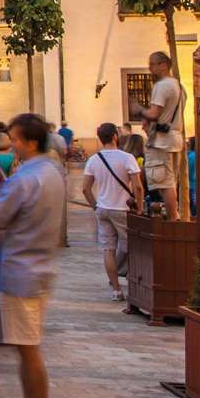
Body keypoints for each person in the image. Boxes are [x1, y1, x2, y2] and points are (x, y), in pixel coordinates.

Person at [0, 113, 67, 398]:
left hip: (20, 270)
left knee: (28, 351)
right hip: (41, 266)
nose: (10, 144)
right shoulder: (53, 172)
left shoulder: (25, 178)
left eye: (14, 139)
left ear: (29, 141)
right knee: (26, 348)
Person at [83, 123, 142, 301]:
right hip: (122, 208)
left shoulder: (93, 160)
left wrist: (95, 206)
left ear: (100, 139)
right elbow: (138, 186)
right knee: (133, 247)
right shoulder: (127, 158)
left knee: (108, 249)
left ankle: (116, 290)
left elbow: (85, 189)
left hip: (103, 208)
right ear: (116, 136)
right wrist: (139, 207)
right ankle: (134, 288)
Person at [140, 51, 186, 218]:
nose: (149, 68)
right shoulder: (179, 86)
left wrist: (140, 111)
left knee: (164, 182)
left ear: (163, 65)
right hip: (174, 138)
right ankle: (174, 215)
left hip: (162, 140)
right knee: (171, 181)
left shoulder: (162, 86)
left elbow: (154, 113)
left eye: (152, 64)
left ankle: (173, 217)